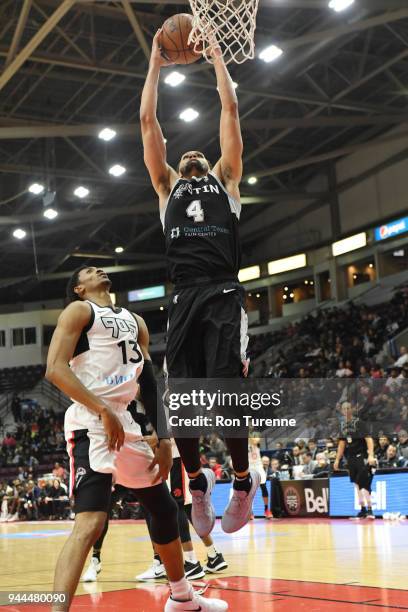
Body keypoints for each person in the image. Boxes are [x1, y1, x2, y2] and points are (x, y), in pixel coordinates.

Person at [46, 266, 227, 612]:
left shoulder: (135, 321)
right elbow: (54, 368)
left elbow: (148, 383)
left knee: (164, 508)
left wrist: (162, 438)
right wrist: (100, 409)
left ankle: (182, 597)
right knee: (92, 521)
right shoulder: (79, 311)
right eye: (87, 271)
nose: (97, 269)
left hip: (126, 420)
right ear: (80, 289)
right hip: (91, 418)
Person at [140, 30, 259, 538]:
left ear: (209, 165)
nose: (190, 154)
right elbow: (148, 122)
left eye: (197, 155)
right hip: (184, 300)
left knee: (226, 396)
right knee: (182, 405)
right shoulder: (165, 187)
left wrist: (216, 59)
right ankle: (196, 485)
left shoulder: (226, 178)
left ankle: (241, 485)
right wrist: (154, 63)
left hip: (223, 295)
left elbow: (229, 112)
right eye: (182, 155)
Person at [334, 402, 377, 520]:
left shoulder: (359, 423)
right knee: (356, 484)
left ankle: (370, 510)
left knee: (364, 483)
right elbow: (342, 444)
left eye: (348, 408)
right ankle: (362, 510)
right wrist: (337, 459)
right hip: (350, 458)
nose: (346, 410)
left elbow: (368, 439)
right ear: (341, 411)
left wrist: (371, 455)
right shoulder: (342, 425)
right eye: (344, 408)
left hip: (361, 456)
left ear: (352, 409)